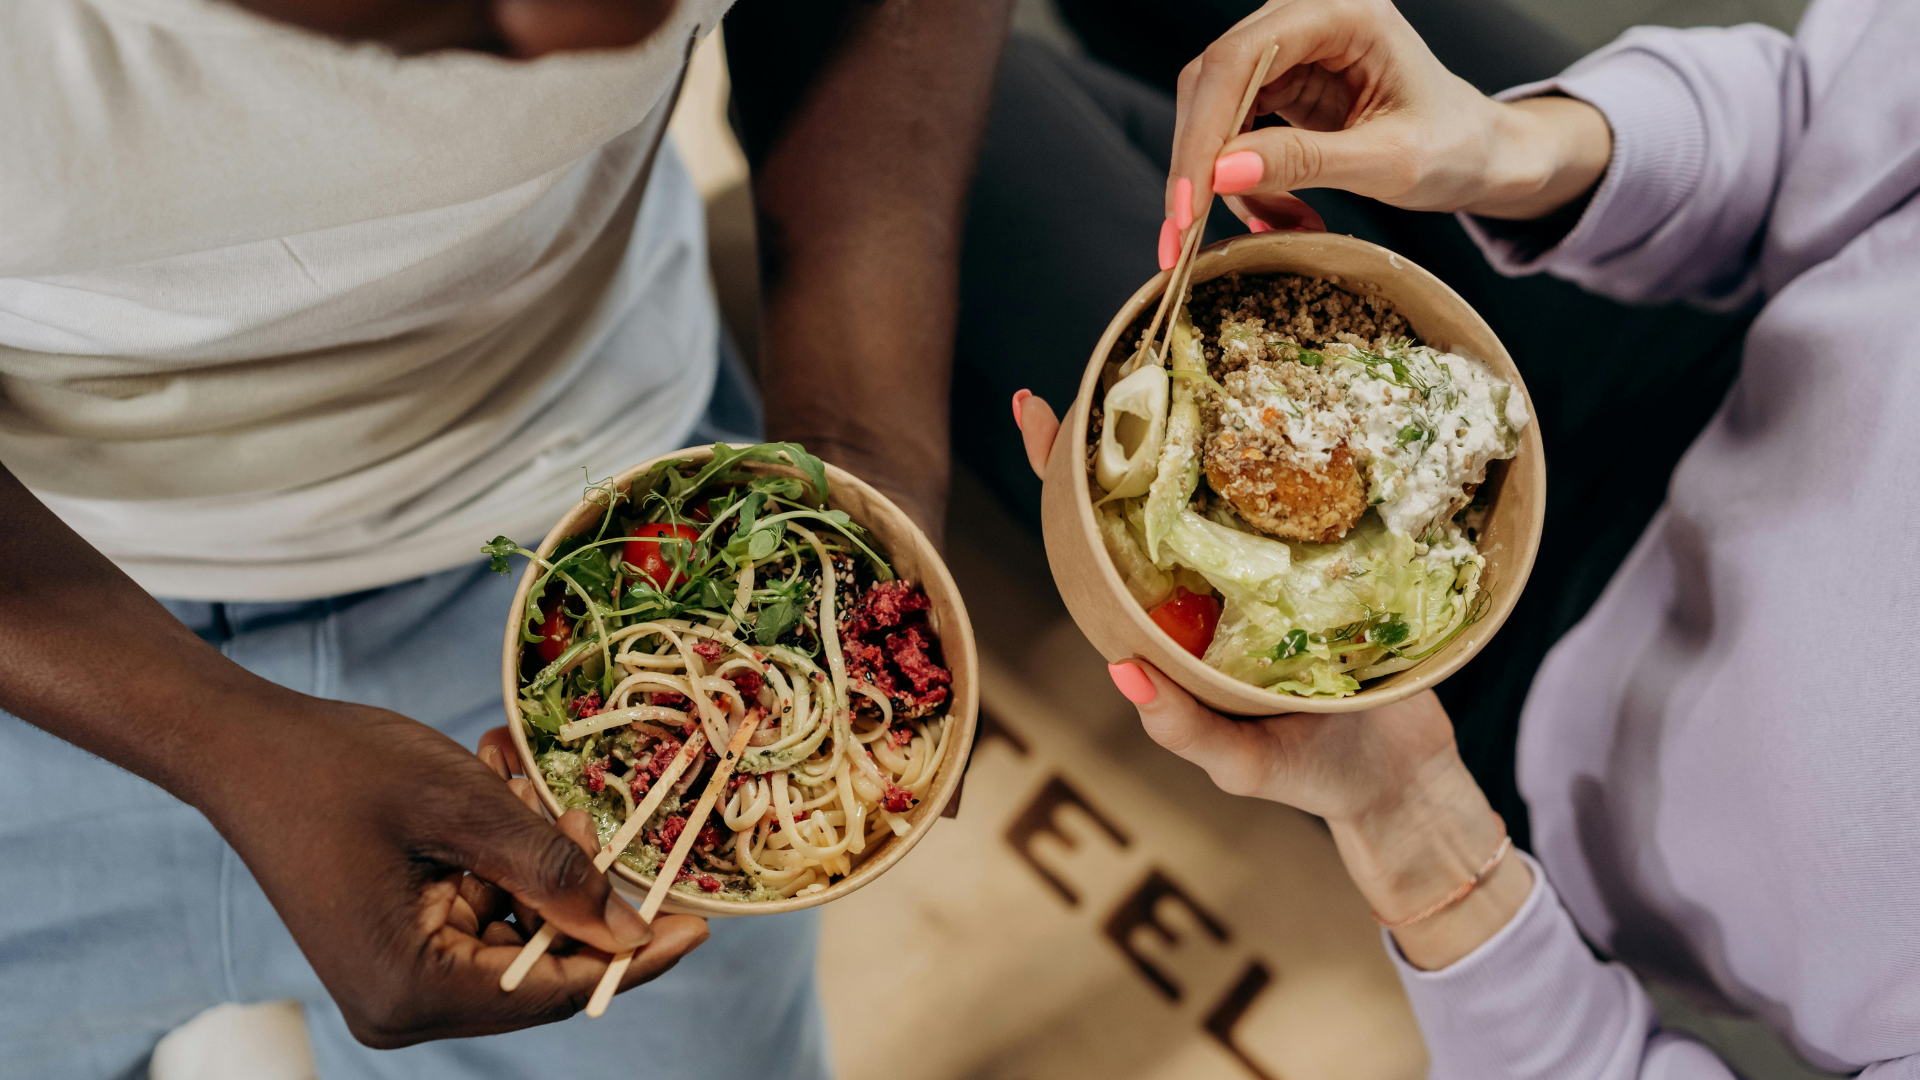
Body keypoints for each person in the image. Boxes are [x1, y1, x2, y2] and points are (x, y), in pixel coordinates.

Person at [0, 0, 1010, 1076]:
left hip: (603, 531)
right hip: (44, 630)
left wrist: (859, 459)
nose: (590, 33)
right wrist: (216, 739)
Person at [1012, 0, 1920, 1075]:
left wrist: (1417, 832)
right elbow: (1832, 116)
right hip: (1680, 334)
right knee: (1267, 54)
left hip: (1507, 747)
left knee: (946, 117)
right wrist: (1514, 149)